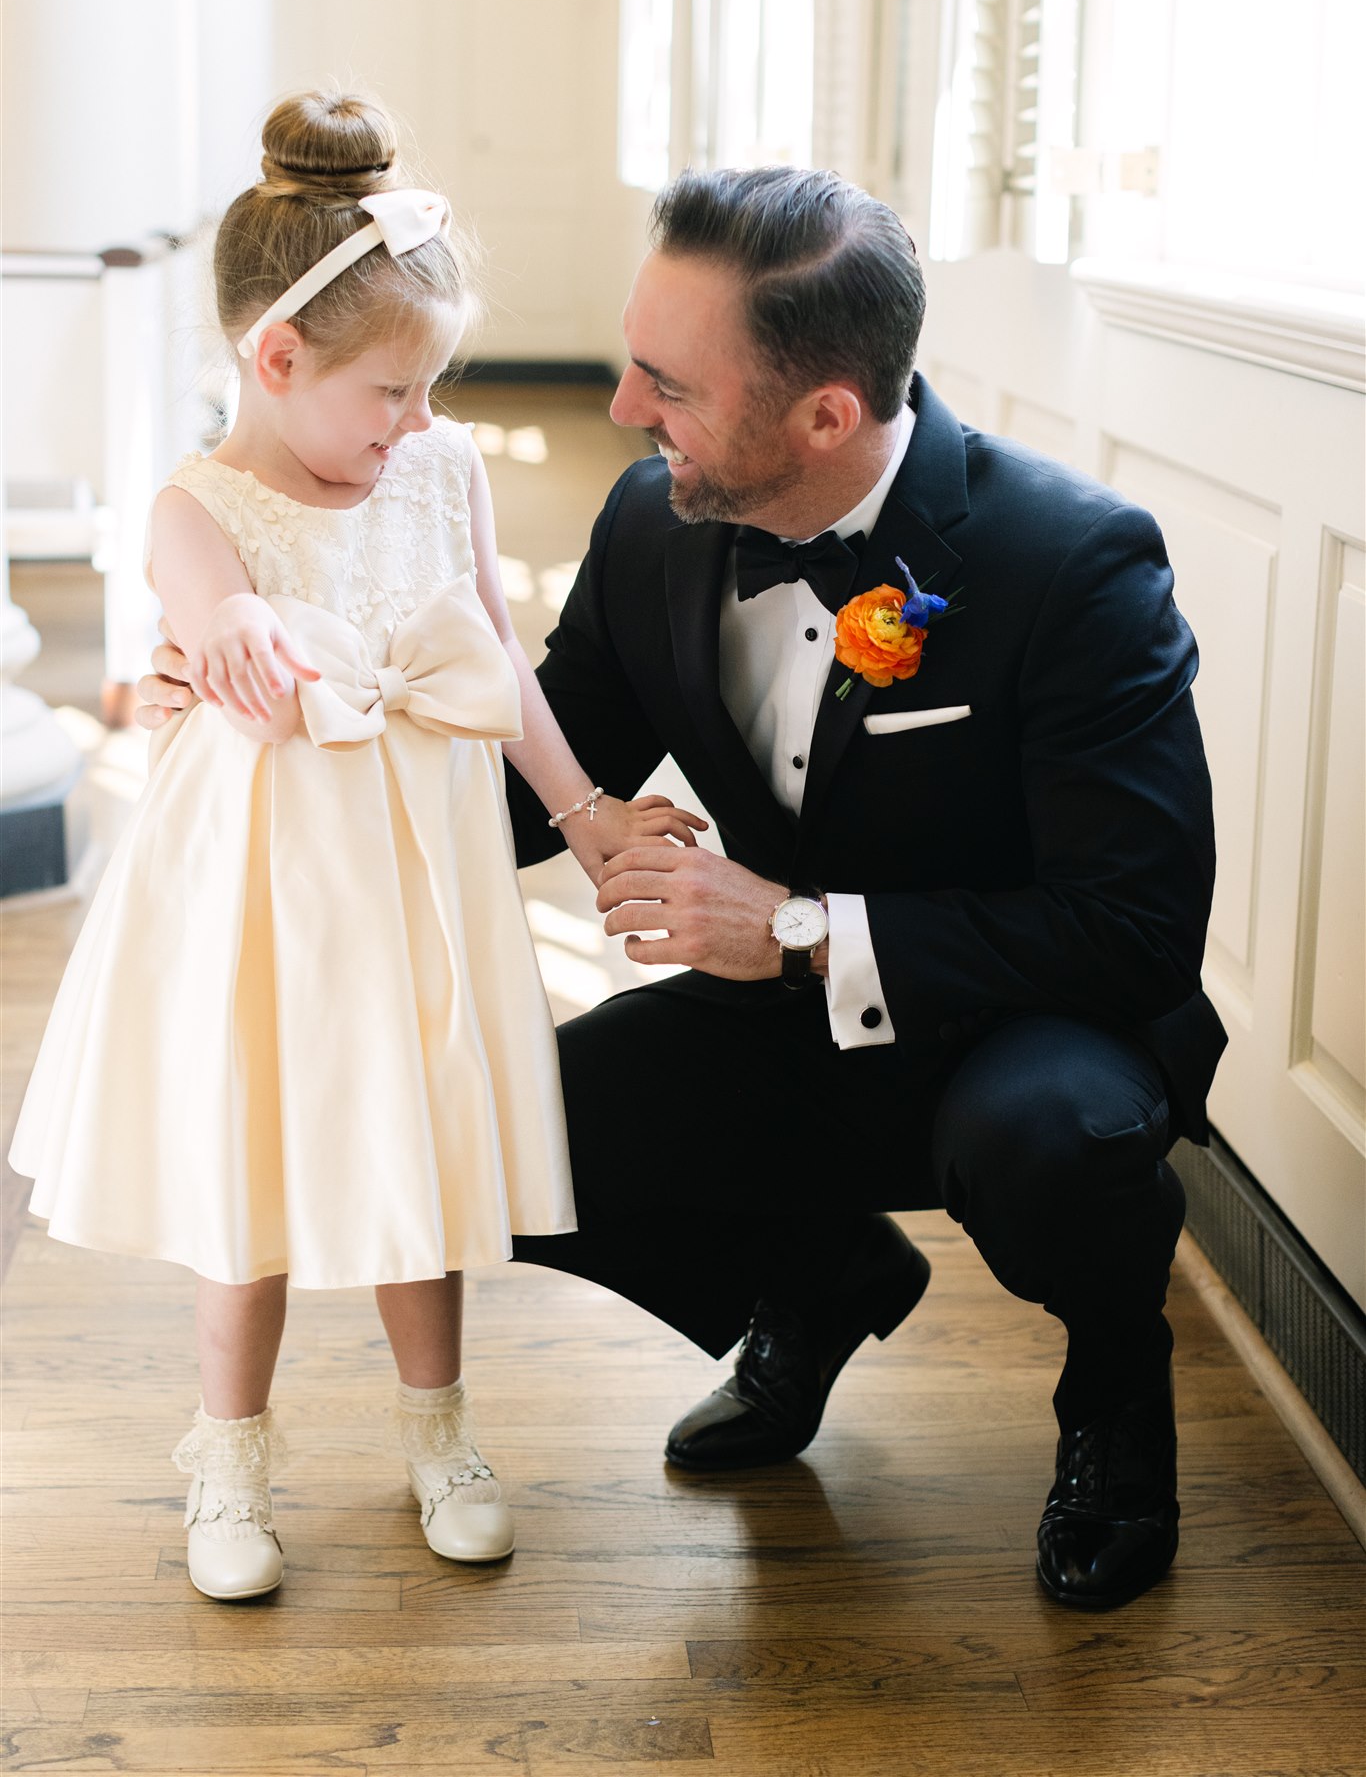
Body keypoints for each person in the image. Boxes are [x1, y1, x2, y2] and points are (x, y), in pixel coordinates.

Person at [138, 163, 1227, 1612]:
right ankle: (820, 1284)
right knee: (513, 1138)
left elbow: (1136, 928)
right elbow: (527, 766)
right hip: (780, 1011)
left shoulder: (1070, 562)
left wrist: (789, 929)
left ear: (824, 414)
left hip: (1027, 1021)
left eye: (668, 383)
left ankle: (1111, 1398)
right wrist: (266, 734)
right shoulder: (657, 524)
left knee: (1052, 1141)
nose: (622, 411)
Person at [9, 90, 702, 1605]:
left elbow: (499, 666)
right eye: (392, 392)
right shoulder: (201, 506)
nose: (418, 423)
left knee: (418, 1145)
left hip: (420, 881)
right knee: (250, 1161)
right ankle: (229, 1452)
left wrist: (583, 817)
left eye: (432, 387)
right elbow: (207, 607)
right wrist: (228, 631)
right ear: (276, 360)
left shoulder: (437, 474)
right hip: (263, 890)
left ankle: (438, 1428)